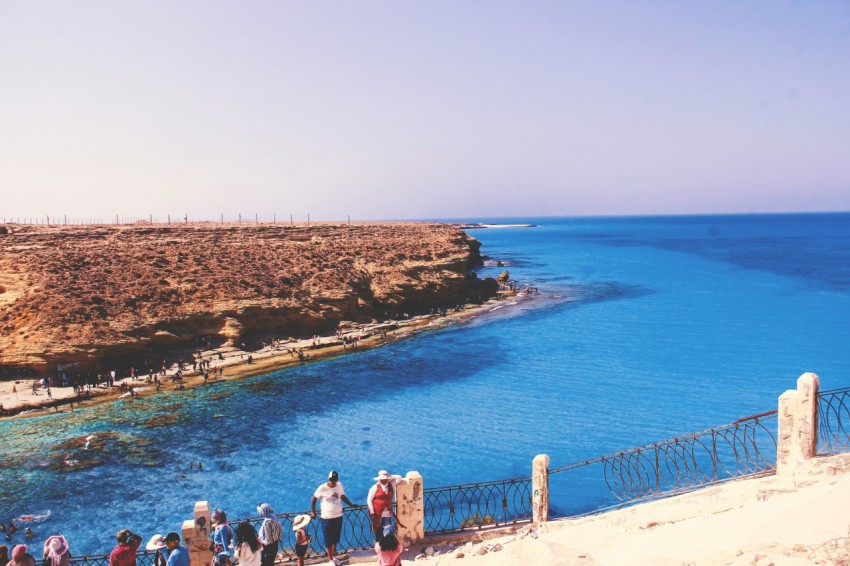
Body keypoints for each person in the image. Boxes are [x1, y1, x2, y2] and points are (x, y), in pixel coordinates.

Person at [310, 470, 356, 566]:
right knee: (328, 538)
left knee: (335, 538)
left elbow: (342, 496)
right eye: (331, 480)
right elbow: (314, 498)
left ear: (337, 479)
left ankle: (333, 557)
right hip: (327, 517)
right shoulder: (322, 487)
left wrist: (351, 504)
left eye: (334, 480)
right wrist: (313, 512)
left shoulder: (339, 485)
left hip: (338, 515)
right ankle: (330, 559)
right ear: (329, 479)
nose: (333, 482)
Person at [366, 470, 406, 541]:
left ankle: (387, 548)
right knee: (378, 532)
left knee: (388, 532)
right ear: (379, 479)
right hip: (377, 514)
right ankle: (379, 546)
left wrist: (389, 476)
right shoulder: (374, 488)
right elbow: (369, 500)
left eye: (385, 479)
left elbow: (399, 477)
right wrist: (372, 512)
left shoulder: (391, 485)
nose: (384, 480)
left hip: (387, 514)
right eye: (382, 479)